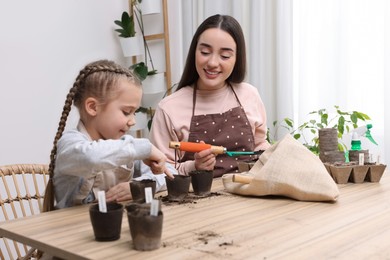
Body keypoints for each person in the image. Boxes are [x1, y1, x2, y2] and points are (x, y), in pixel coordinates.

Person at [150, 14, 270, 178]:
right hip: (198, 200)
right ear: (194, 52)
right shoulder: (169, 108)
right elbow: (159, 171)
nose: (213, 63)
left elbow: (259, 146)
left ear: (237, 58)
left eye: (225, 56)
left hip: (248, 195)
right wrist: (195, 165)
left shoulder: (249, 94)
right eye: (205, 52)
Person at [47, 59, 175, 209]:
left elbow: (169, 174)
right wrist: (144, 148)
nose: (132, 121)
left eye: (134, 113)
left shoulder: (125, 145)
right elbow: (91, 157)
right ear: (93, 107)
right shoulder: (69, 145)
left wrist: (137, 186)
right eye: (127, 112)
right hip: (70, 230)